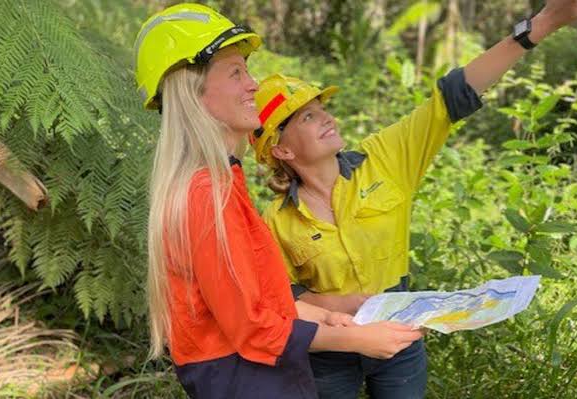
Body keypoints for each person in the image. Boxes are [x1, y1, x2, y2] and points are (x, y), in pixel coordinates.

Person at [251, 1, 577, 398]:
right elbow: (284, 300)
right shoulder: (276, 219)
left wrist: (544, 23)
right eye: (307, 118)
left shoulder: (384, 159)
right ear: (282, 151)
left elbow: (453, 96)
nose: (327, 118)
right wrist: (344, 304)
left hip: (400, 337)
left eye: (321, 109)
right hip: (331, 350)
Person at [134, 3, 423, 399]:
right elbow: (252, 327)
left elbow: (259, 299)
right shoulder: (204, 196)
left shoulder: (222, 182)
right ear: (194, 94)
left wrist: (326, 315)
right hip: (245, 378)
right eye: (236, 72)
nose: (253, 84)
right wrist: (356, 341)